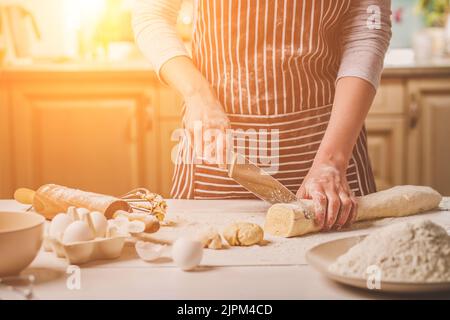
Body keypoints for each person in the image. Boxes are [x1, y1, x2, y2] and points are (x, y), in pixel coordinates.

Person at [132, 0, 392, 230]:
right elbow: (151, 13)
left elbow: (367, 29)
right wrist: (197, 95)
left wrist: (331, 161)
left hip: (328, 149)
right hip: (219, 150)